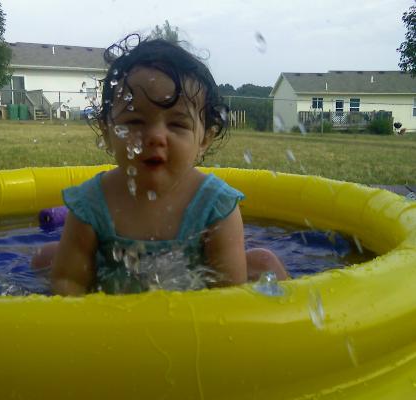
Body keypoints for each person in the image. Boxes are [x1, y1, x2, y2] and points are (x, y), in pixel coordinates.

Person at [32, 34, 287, 295]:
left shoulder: (215, 207)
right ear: (107, 131)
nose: (155, 136)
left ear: (204, 140)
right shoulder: (91, 205)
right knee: (46, 257)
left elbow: (227, 299)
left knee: (263, 262)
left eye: (177, 124)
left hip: (190, 314)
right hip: (113, 308)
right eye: (134, 122)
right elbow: (70, 286)